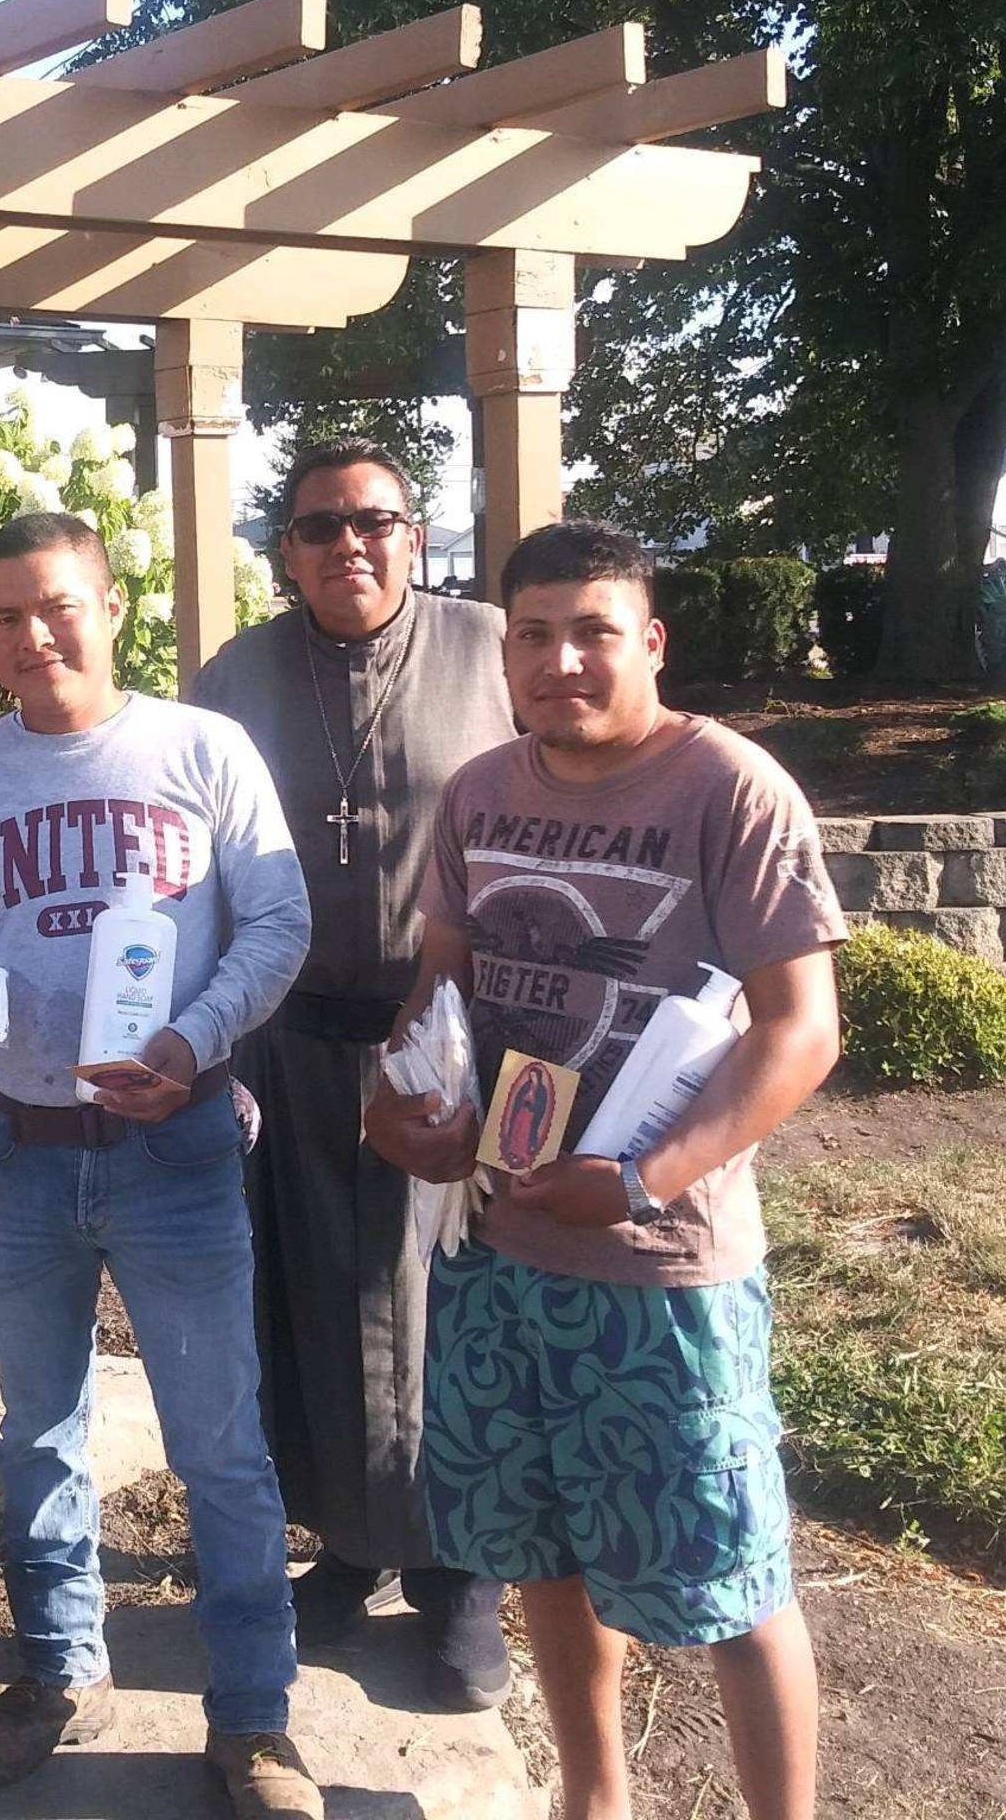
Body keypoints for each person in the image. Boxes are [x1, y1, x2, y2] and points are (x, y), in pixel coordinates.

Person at [366, 518, 846, 1820]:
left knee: (734, 1583)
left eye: (593, 631)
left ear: (650, 640)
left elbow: (802, 1030)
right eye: (534, 635)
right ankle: (595, 1799)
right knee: (546, 1551)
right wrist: (400, 1099)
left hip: (663, 1272)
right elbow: (442, 992)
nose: (562, 661)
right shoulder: (480, 794)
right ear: (504, 649)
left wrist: (638, 1179)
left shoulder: (730, 790)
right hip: (495, 1250)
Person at [0, 510, 323, 1819]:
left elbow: (280, 918)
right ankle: (60, 1668)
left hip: (173, 1141)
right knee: (40, 1430)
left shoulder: (203, 749)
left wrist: (195, 1038)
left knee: (221, 1444)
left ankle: (252, 1718)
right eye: (6, 615)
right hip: (17, 1145)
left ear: (112, 608)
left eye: (57, 605)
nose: (32, 634)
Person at [187, 439, 516, 1707]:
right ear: (287, 553)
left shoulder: (491, 649)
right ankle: (347, 1548)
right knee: (313, 1299)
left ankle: (461, 1579)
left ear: (414, 534)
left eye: (374, 520)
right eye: (320, 527)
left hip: (451, 1045)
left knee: (447, 1310)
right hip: (292, 1042)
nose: (349, 545)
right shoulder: (236, 678)